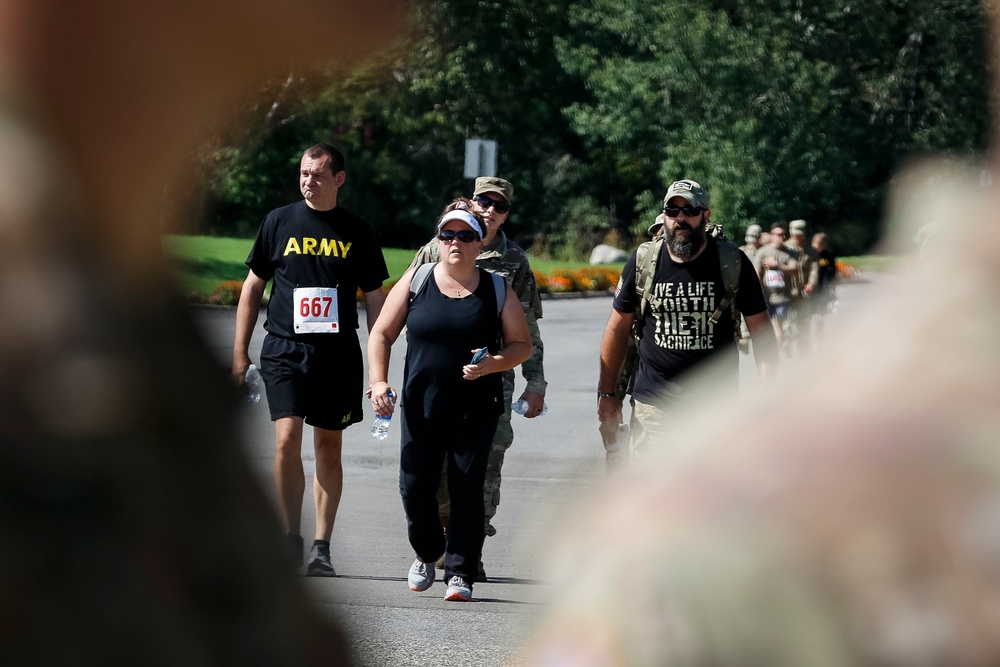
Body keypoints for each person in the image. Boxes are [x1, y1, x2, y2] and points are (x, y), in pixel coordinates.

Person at [232, 143, 389, 577]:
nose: (308, 181)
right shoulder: (278, 222)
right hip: (283, 348)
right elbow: (252, 289)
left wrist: (379, 368)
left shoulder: (356, 230)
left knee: (328, 448)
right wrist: (239, 354)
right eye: (304, 173)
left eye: (318, 174)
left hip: (336, 354)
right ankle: (289, 537)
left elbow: (376, 298)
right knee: (285, 441)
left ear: (339, 178)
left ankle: (322, 546)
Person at [368, 204, 531, 602]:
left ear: (479, 244)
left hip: (476, 407)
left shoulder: (496, 288)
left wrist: (494, 363)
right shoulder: (417, 280)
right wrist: (378, 382)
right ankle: (427, 552)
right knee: (415, 486)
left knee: (467, 489)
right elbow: (381, 334)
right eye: (447, 236)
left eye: (464, 236)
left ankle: (460, 572)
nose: (455, 243)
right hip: (421, 404)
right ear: (438, 242)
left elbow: (521, 345)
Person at [409, 177, 546, 582]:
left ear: (506, 215)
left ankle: (467, 553)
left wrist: (534, 382)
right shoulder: (437, 248)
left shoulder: (514, 261)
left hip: (492, 385)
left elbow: (529, 331)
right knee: (433, 475)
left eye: (499, 206)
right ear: (471, 201)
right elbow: (409, 311)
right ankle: (441, 545)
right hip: (436, 384)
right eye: (484, 201)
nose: (489, 210)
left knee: (483, 470)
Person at [597, 179, 777, 458]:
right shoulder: (643, 260)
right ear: (664, 215)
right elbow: (617, 328)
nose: (680, 218)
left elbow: (761, 330)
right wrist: (607, 395)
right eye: (672, 210)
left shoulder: (733, 262)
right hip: (654, 407)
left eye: (690, 209)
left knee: (712, 495)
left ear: (705, 215)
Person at [753, 222, 799, 353]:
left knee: (776, 326)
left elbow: (794, 269)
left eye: (784, 234)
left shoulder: (790, 253)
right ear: (772, 235)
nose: (782, 237)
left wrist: (777, 265)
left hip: (782, 297)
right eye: (779, 234)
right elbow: (758, 273)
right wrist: (756, 293)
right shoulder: (763, 252)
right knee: (768, 328)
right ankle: (778, 346)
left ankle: (775, 354)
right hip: (766, 297)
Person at [810, 232, 838, 347]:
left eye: (821, 244)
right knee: (806, 318)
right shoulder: (809, 255)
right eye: (817, 243)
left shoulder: (829, 256)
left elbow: (833, 274)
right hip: (809, 291)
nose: (818, 246)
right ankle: (804, 340)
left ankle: (817, 342)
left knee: (819, 318)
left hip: (822, 291)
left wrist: (832, 290)